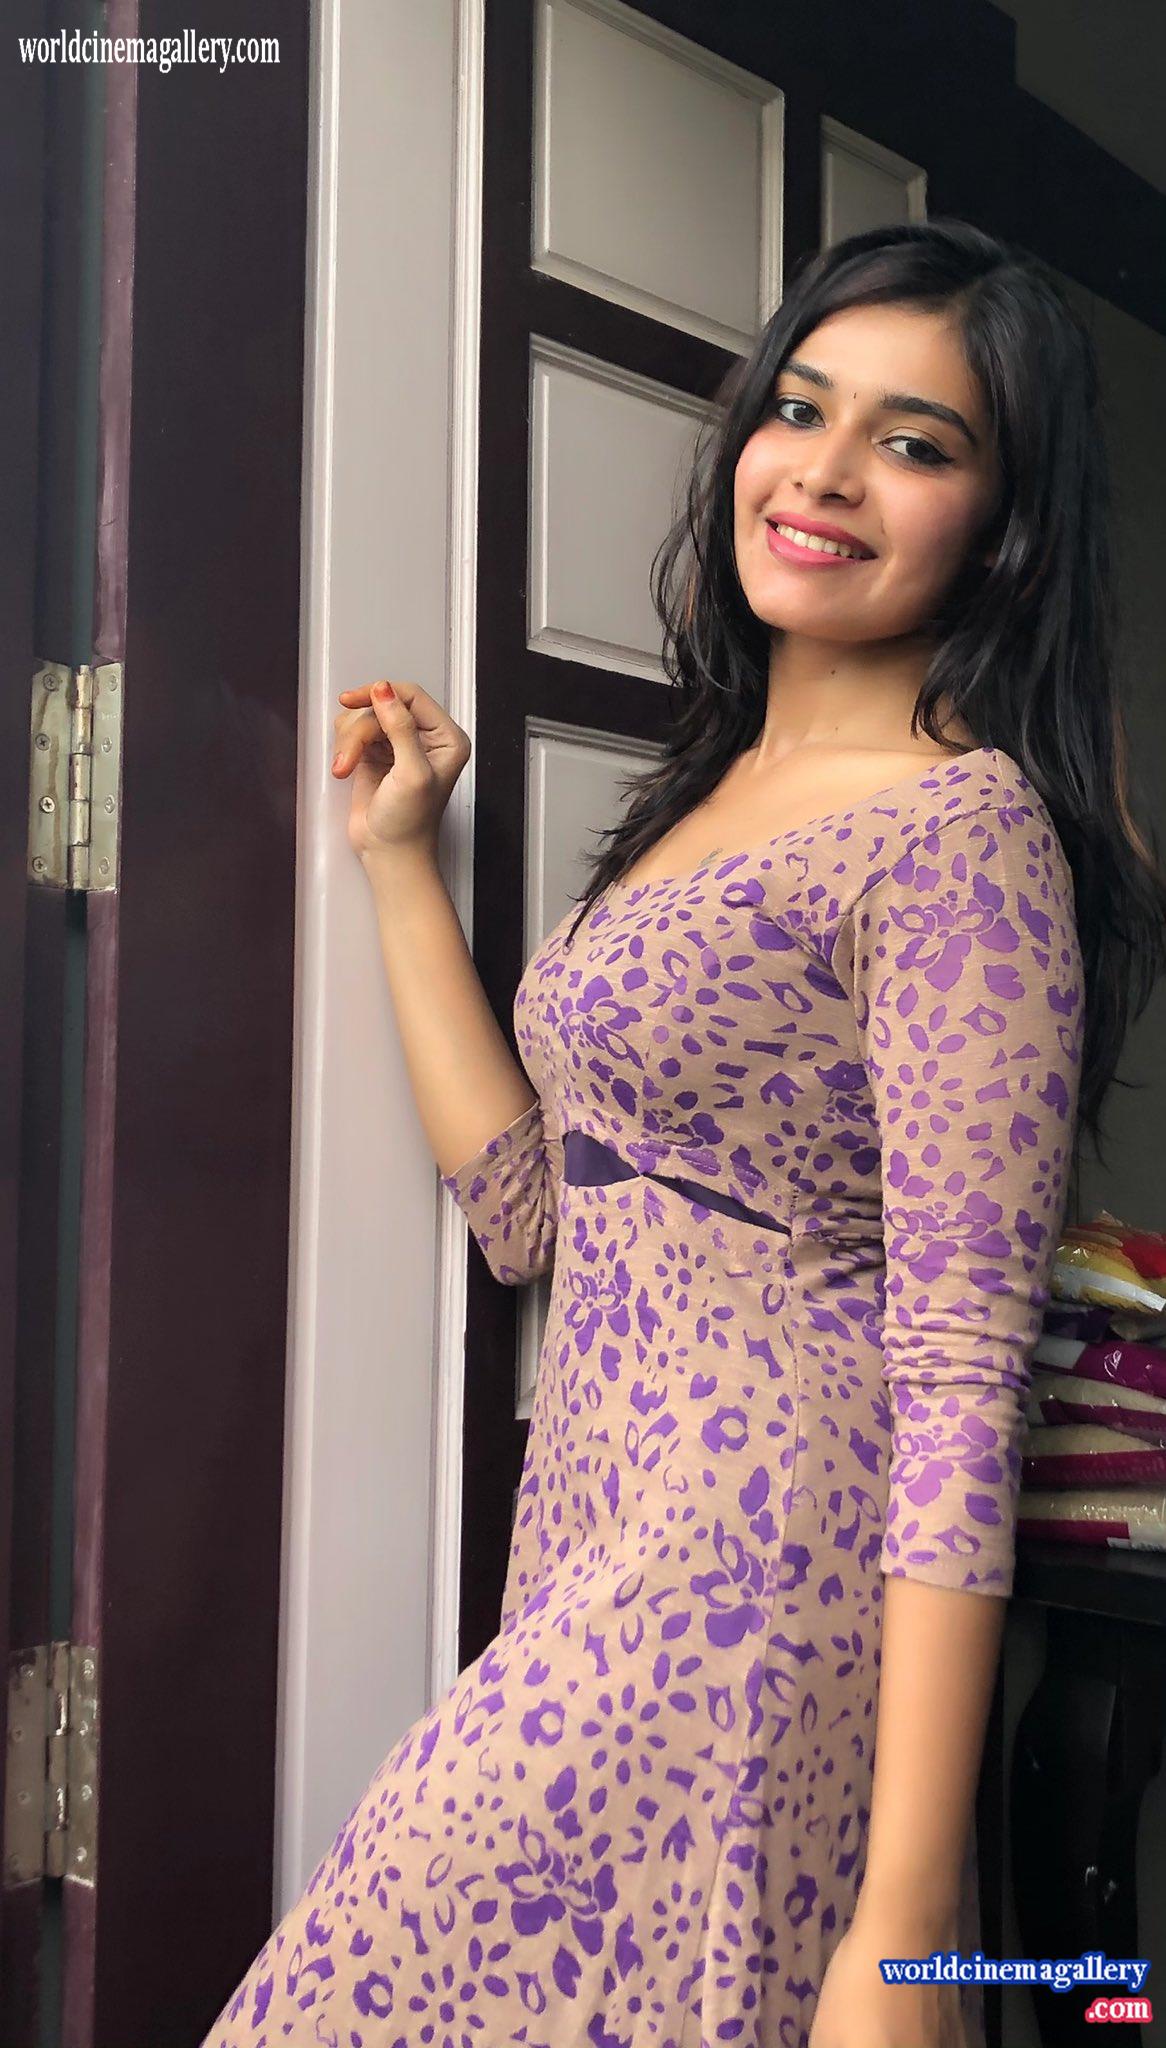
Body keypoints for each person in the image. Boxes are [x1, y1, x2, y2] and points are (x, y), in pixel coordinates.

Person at [201, 220, 1166, 2048]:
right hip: (596, 1531)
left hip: (759, 1565)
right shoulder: (711, 792)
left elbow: (960, 1372)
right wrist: (401, 868)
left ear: (1004, 524)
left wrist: (909, 1931)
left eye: (913, 441)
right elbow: (530, 1213)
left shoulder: (958, 837)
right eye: (799, 409)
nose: (824, 470)